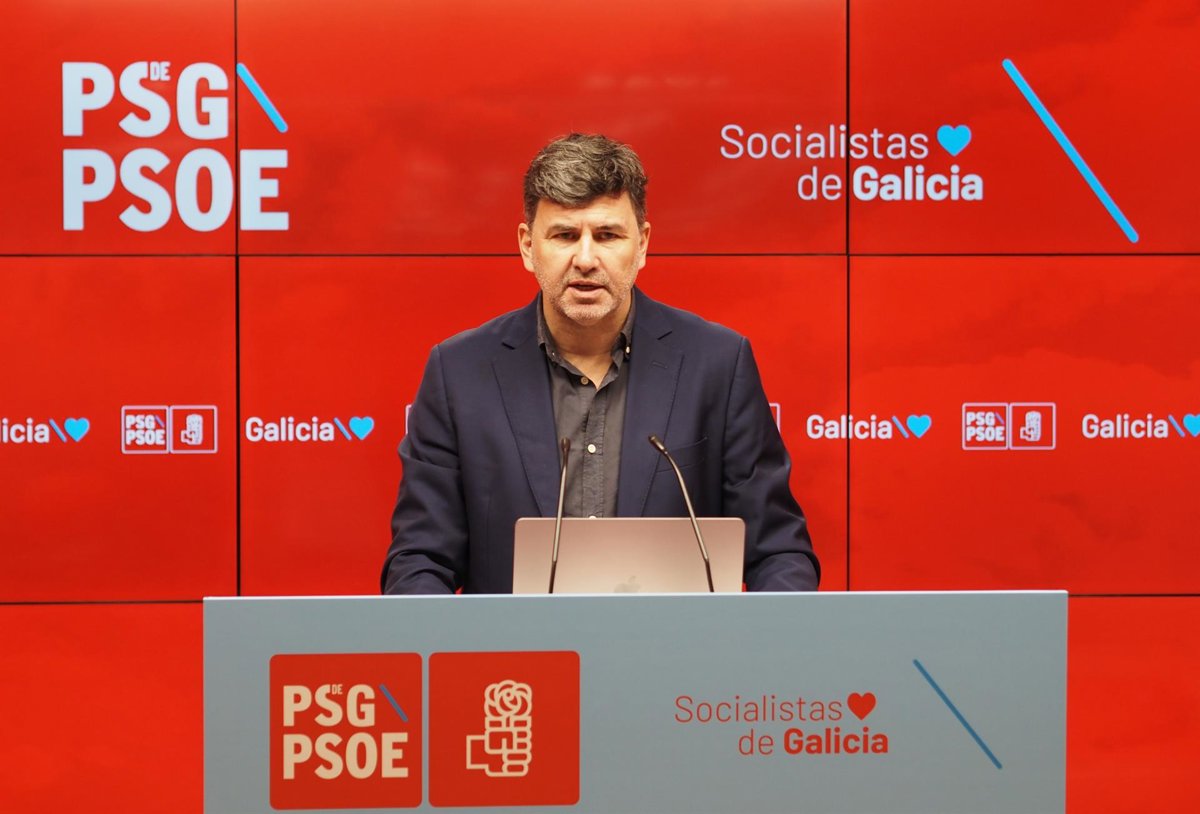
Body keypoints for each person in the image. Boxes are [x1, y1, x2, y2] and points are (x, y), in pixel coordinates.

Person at [381, 133, 818, 593]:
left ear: (642, 244)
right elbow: (419, 559)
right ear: (528, 246)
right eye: (565, 235)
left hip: (676, 640)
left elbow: (779, 551)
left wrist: (763, 634)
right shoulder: (460, 373)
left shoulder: (717, 365)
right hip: (515, 643)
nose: (586, 259)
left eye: (607, 235)